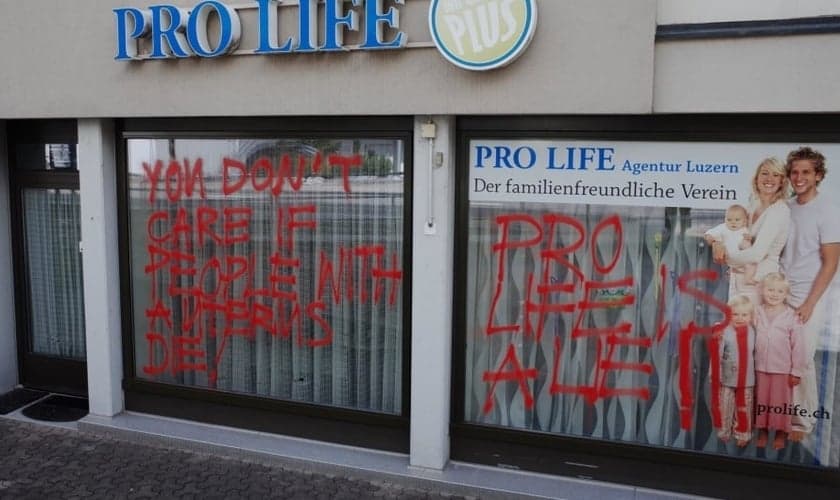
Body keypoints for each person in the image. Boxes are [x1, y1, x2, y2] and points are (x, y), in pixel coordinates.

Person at [779, 147, 840, 441]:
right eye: (795, 172)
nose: (799, 177)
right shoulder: (786, 208)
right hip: (781, 293)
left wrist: (810, 303)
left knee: (801, 359)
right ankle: (782, 416)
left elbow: (831, 262)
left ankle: (804, 424)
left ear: (818, 175)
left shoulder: (827, 210)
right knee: (780, 357)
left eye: (806, 172)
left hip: (808, 295)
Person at [714, 158, 791, 307]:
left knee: (752, 328)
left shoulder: (779, 211)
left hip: (760, 282)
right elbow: (735, 233)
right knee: (735, 327)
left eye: (776, 175)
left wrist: (727, 258)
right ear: (756, 178)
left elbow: (757, 254)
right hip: (738, 279)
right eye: (765, 173)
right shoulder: (753, 203)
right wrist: (717, 242)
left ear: (782, 181)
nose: (769, 179)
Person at [753, 273, 807, 450]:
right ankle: (762, 430)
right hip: (760, 366)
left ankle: (781, 432)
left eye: (779, 291)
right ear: (763, 291)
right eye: (770, 290)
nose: (774, 294)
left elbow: (798, 346)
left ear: (786, 294)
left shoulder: (791, 316)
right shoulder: (757, 312)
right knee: (762, 401)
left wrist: (796, 371)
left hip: (783, 369)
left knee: (781, 403)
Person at [714, 295, 756, 447]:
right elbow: (717, 353)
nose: (740, 318)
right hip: (727, 376)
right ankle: (724, 430)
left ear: (751, 316)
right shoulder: (724, 330)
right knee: (724, 404)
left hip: (746, 378)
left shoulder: (753, 330)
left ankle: (743, 433)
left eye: (744, 315)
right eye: (735, 314)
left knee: (744, 405)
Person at [705, 204, 757, 292]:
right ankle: (732, 274)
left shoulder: (744, 229)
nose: (733, 222)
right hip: (729, 257)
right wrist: (710, 237)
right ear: (725, 219)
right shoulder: (723, 228)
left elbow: (751, 237)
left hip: (742, 259)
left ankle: (747, 277)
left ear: (744, 221)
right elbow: (709, 233)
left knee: (750, 264)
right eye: (729, 220)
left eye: (737, 220)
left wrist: (749, 238)